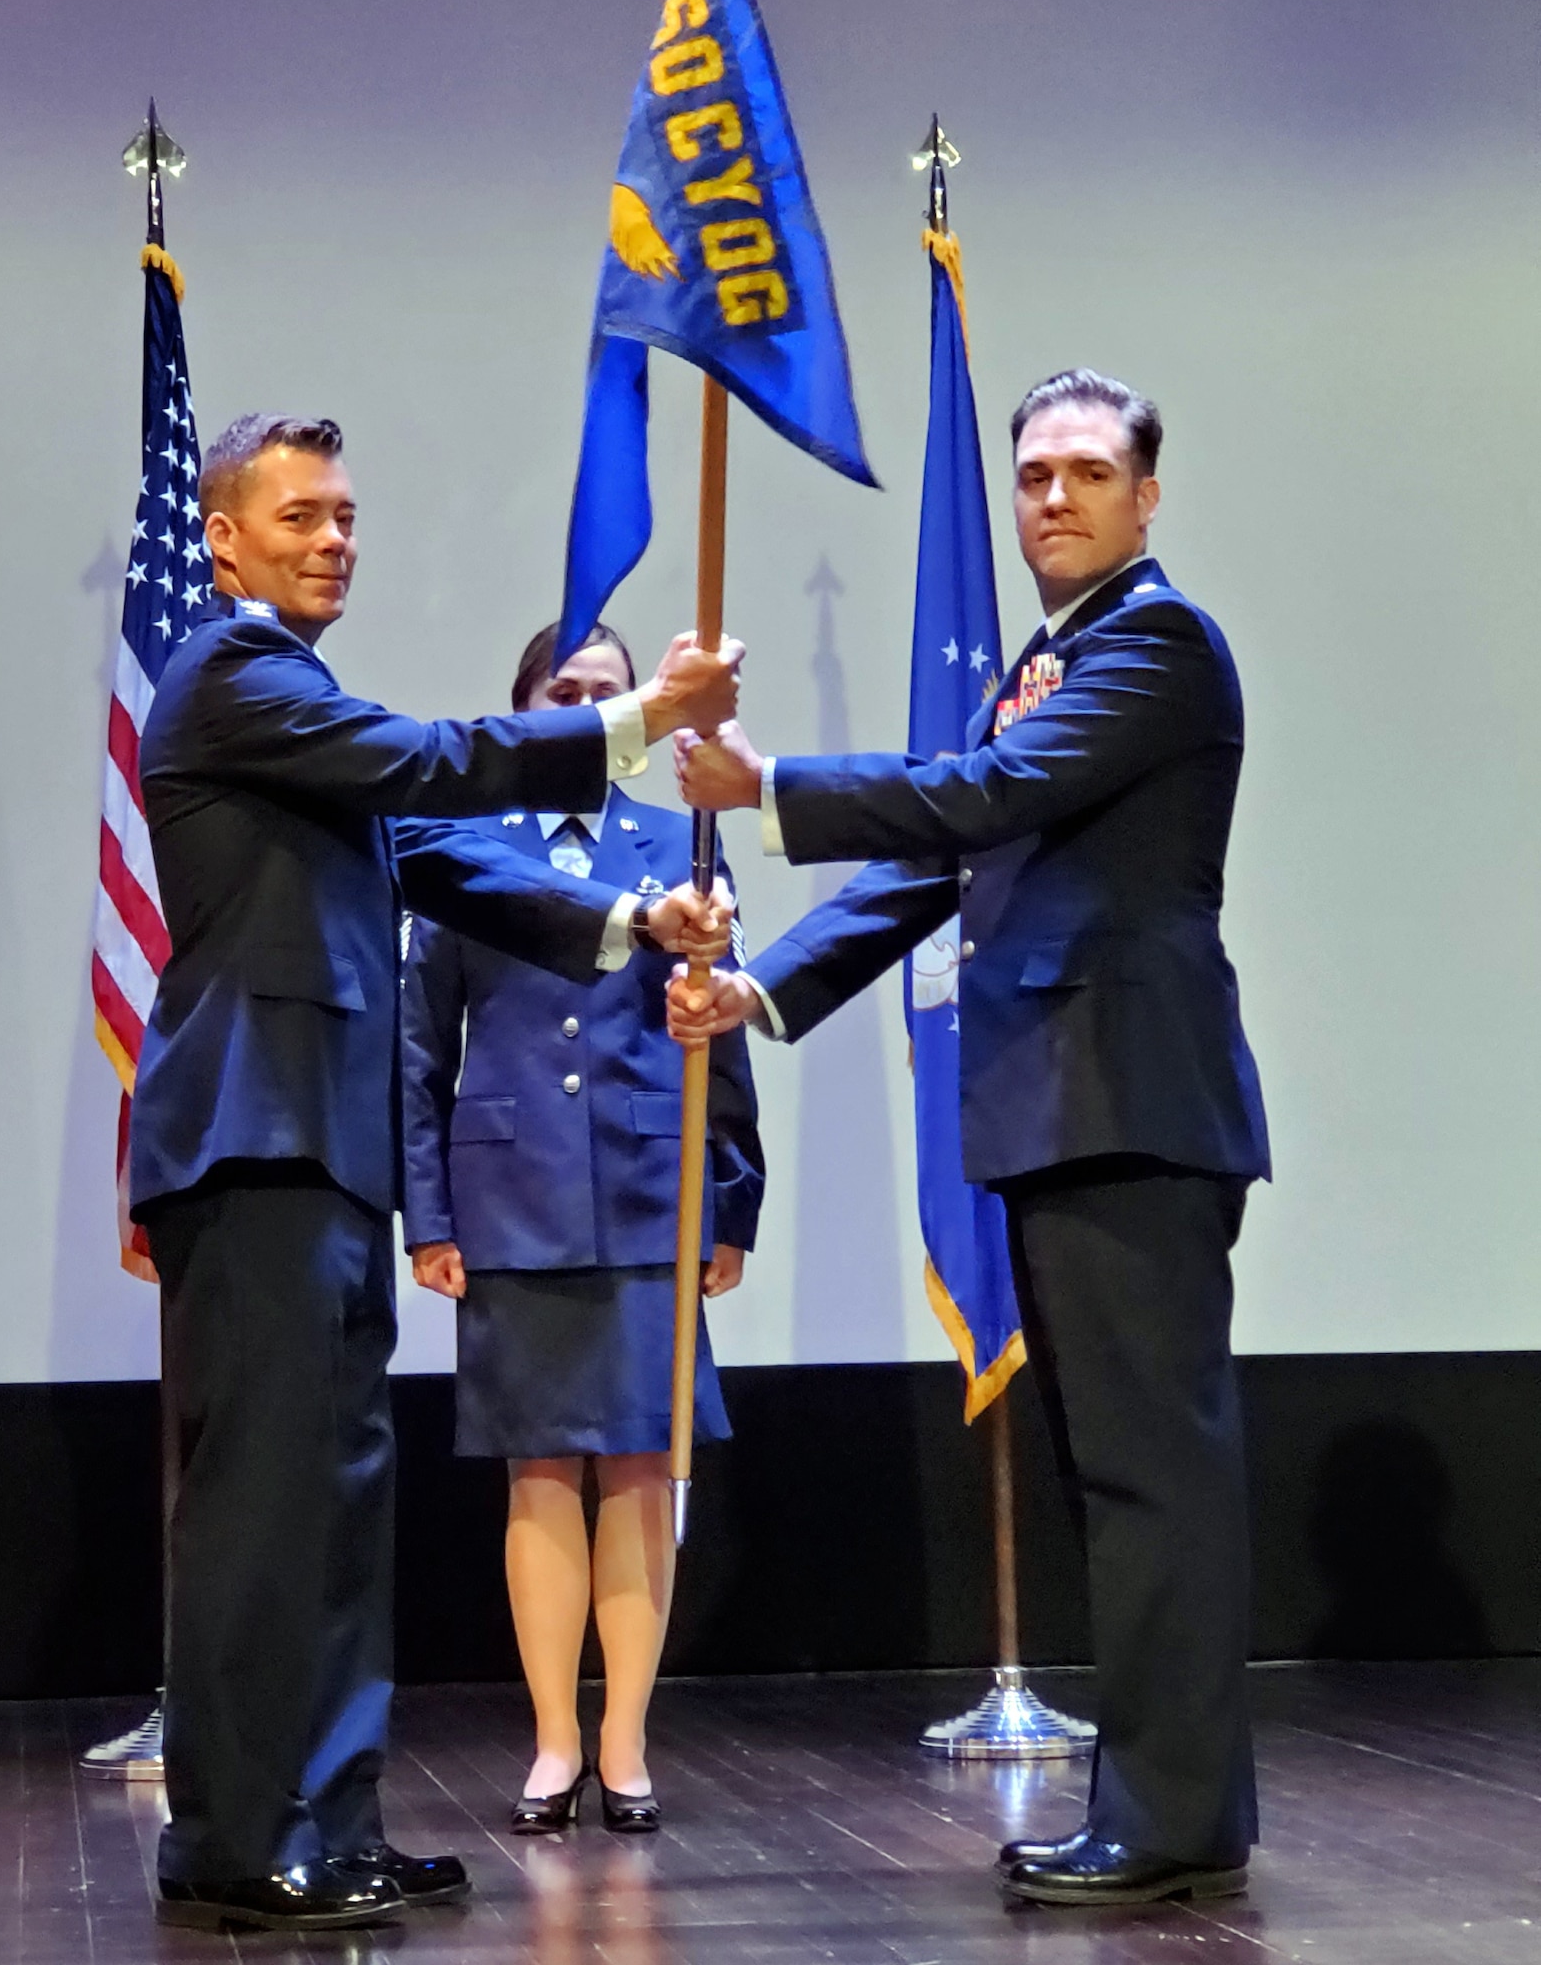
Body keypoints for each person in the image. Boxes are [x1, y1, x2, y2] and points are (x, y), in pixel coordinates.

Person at [129, 413, 742, 1934]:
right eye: (299, 516)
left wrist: (624, 929)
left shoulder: (303, 700)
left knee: (334, 1505)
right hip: (252, 1141)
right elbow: (432, 761)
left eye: (344, 514)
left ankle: (324, 1826)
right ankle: (232, 1840)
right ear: (221, 539)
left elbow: (449, 860)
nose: (334, 537)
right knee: (262, 1507)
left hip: (320, 1152)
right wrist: (631, 721)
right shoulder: (234, 675)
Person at [669, 370, 1270, 1908]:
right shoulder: (1046, 658)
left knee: (1153, 1484)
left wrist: (777, 788)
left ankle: (1175, 1819)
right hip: (1065, 1106)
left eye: (1083, 471)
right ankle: (1155, 1806)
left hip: (1127, 1106)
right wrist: (767, 981)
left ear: (1146, 497)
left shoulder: (1154, 643)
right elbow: (955, 845)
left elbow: (991, 789)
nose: (1050, 497)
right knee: (1119, 1483)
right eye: (1029, 475)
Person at [401, 623, 764, 1837]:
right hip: (509, 1199)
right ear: (526, 716)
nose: (591, 709)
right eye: (567, 695)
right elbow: (418, 1050)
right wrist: (429, 1212)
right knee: (541, 1468)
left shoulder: (682, 846)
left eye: (610, 694)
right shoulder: (462, 851)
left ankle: (625, 1742)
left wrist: (731, 1197)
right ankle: (555, 1738)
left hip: (649, 1195)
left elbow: (721, 1043)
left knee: (640, 1468)